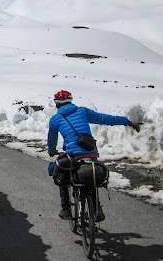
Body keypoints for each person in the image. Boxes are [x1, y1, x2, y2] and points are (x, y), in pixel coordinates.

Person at [47, 90, 141, 220]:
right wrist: (128, 122)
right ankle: (96, 210)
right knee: (90, 177)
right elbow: (105, 118)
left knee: (63, 175)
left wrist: (51, 150)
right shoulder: (82, 111)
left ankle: (66, 210)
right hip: (91, 153)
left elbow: (52, 140)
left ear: (57, 104)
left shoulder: (55, 119)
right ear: (70, 101)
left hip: (72, 156)